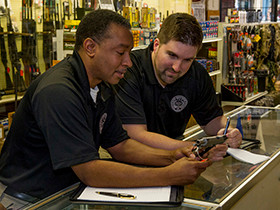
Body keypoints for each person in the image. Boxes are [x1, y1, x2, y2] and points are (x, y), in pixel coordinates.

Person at [0, 10, 218, 209]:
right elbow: (89, 171)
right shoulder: (58, 91)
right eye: (120, 53)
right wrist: (168, 175)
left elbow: (120, 145)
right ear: (90, 47)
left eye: (129, 53)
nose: (128, 62)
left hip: (65, 193)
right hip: (28, 200)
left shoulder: (101, 85)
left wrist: (172, 156)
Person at [114, 13, 242, 151]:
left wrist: (228, 132)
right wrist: (194, 147)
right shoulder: (128, 70)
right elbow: (136, 135)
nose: (176, 67)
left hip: (175, 155)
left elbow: (211, 120)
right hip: (130, 159)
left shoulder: (197, 74)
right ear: (156, 45)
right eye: (172, 55)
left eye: (187, 60)